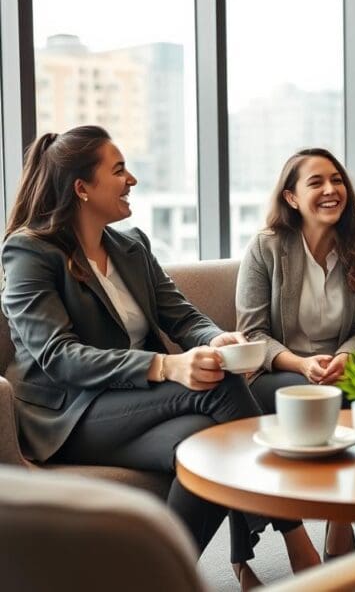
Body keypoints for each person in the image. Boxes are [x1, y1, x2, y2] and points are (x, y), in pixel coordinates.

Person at [0, 126, 319, 590]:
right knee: (222, 387)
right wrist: (167, 366)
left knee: (204, 444)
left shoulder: (131, 246)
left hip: (135, 402)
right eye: (119, 170)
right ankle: (295, 534)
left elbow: (182, 317)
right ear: (82, 188)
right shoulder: (29, 251)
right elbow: (59, 356)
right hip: (69, 412)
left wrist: (217, 340)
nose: (132, 180)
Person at [235, 147, 355, 559]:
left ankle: (342, 517)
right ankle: (279, 542)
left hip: (341, 369)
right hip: (278, 371)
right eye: (316, 182)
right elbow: (252, 332)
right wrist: (301, 364)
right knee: (317, 397)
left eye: (337, 181)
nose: (331, 190)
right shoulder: (265, 248)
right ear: (292, 197)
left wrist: (345, 357)